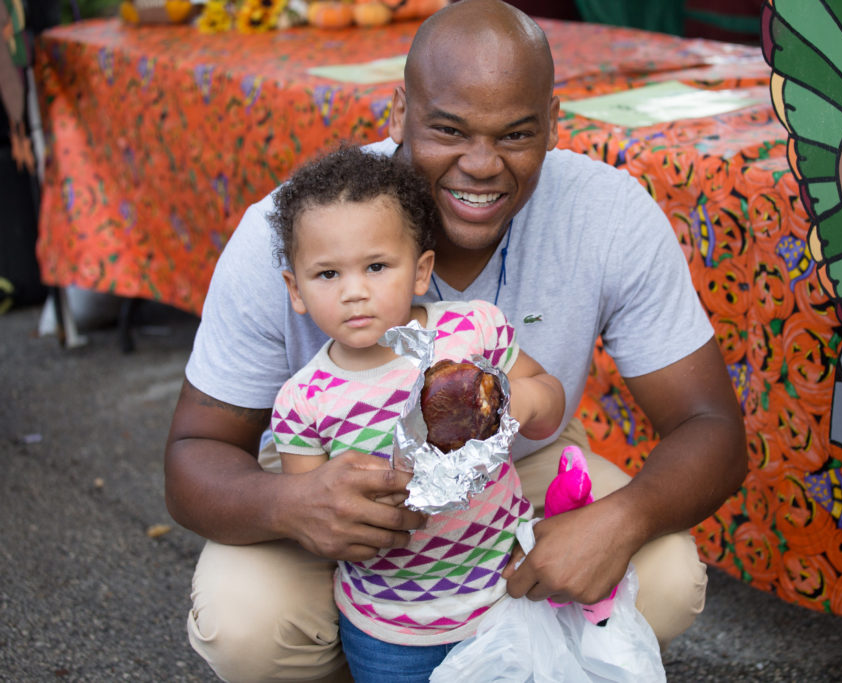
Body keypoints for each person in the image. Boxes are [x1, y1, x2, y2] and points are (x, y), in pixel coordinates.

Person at [165, 0, 748, 680]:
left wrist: (620, 521)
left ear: (554, 124)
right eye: (448, 129)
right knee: (246, 623)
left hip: (516, 469)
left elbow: (711, 426)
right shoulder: (299, 232)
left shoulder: (606, 215)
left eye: (516, 134)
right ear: (398, 112)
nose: (481, 164)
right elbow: (192, 455)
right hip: (331, 487)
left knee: (666, 576)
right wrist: (288, 504)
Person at [264, 144, 565, 681]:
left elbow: (548, 400)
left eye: (377, 266)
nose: (355, 292)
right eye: (327, 275)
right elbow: (314, 520)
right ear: (296, 290)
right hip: (388, 630)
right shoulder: (302, 402)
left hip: (505, 599)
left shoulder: (471, 331)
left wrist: (513, 402)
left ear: (421, 270)